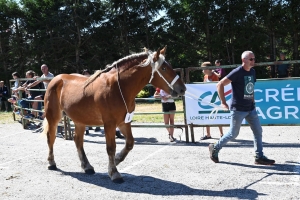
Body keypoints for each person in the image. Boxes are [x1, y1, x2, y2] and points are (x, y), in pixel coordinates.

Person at [209, 50, 275, 165]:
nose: (253, 61)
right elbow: (219, 84)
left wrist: (253, 101)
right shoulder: (237, 72)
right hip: (238, 109)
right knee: (233, 134)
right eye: (251, 59)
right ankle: (215, 147)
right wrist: (223, 102)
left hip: (250, 108)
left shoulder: (253, 72)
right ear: (243, 60)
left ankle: (259, 156)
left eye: (254, 59)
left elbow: (250, 88)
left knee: (258, 131)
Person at [200, 62, 223, 140]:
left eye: (203, 69)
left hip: (215, 98)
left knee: (216, 114)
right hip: (207, 99)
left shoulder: (214, 76)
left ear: (207, 69)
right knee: (207, 115)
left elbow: (215, 86)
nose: (202, 70)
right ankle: (208, 134)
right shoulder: (205, 76)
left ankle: (221, 134)